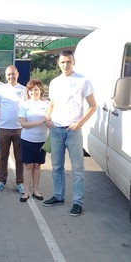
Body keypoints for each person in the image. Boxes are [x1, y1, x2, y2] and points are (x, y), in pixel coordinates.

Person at [42, 50, 96, 217]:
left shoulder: (83, 80)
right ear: (58, 63)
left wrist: (79, 123)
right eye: (63, 62)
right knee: (57, 167)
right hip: (56, 130)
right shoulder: (54, 82)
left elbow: (93, 106)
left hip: (73, 131)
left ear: (74, 62)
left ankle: (77, 202)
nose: (66, 65)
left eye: (69, 62)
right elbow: (52, 103)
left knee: (78, 169)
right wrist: (47, 117)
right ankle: (58, 196)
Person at [0, 65, 26, 193]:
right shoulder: (1, 90)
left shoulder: (24, 90)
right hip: (3, 128)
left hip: (19, 129)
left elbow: (29, 108)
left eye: (13, 74)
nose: (11, 76)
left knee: (19, 158)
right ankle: (2, 181)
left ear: (18, 74)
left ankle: (20, 182)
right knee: (3, 157)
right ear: (5, 76)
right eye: (8, 74)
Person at [18, 80, 49, 202]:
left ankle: (36, 190)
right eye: (31, 90)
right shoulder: (25, 105)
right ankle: (26, 191)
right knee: (28, 166)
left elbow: (50, 120)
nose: (33, 92)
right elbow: (23, 123)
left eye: (36, 89)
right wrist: (40, 121)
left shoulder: (47, 104)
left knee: (37, 166)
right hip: (27, 140)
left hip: (42, 140)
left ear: (41, 90)